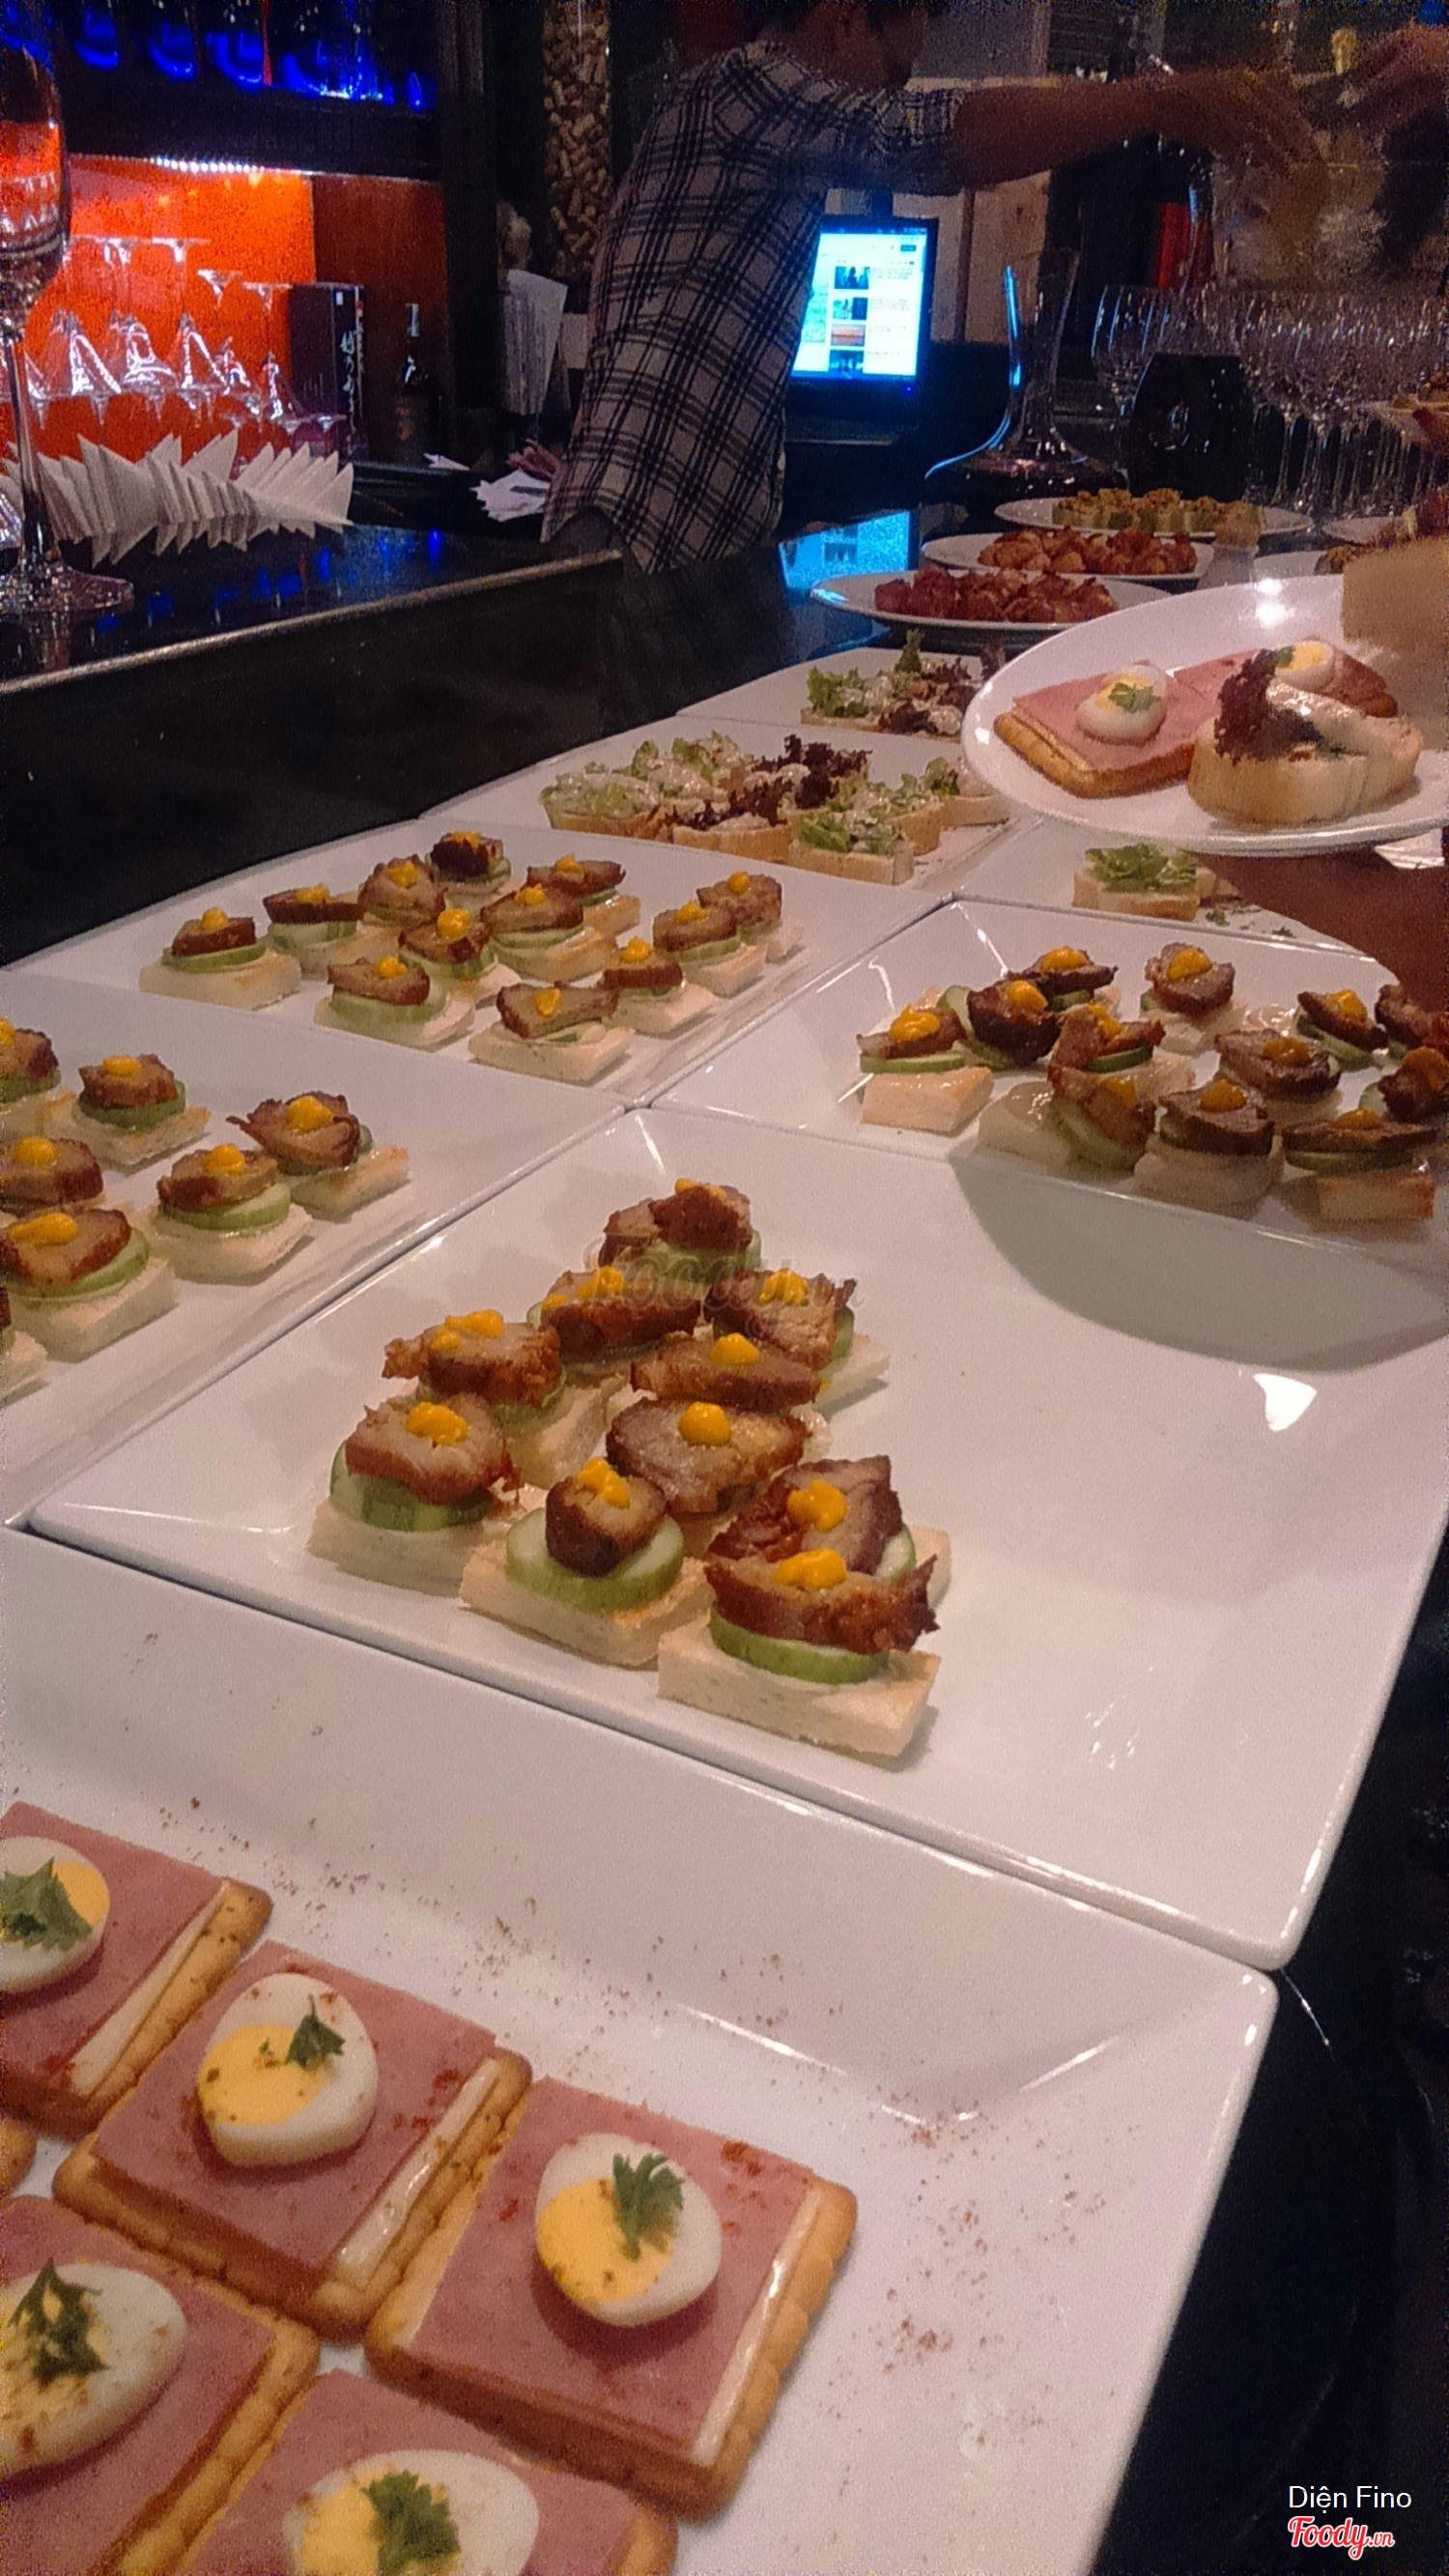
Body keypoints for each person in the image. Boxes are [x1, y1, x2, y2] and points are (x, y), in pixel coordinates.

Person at [542, 0, 1313, 575]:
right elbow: (927, 141)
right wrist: (1162, 102)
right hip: (632, 531)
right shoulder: (744, 85)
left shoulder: (754, 127)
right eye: (892, 69)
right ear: (845, 16)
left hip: (669, 535)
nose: (893, 88)